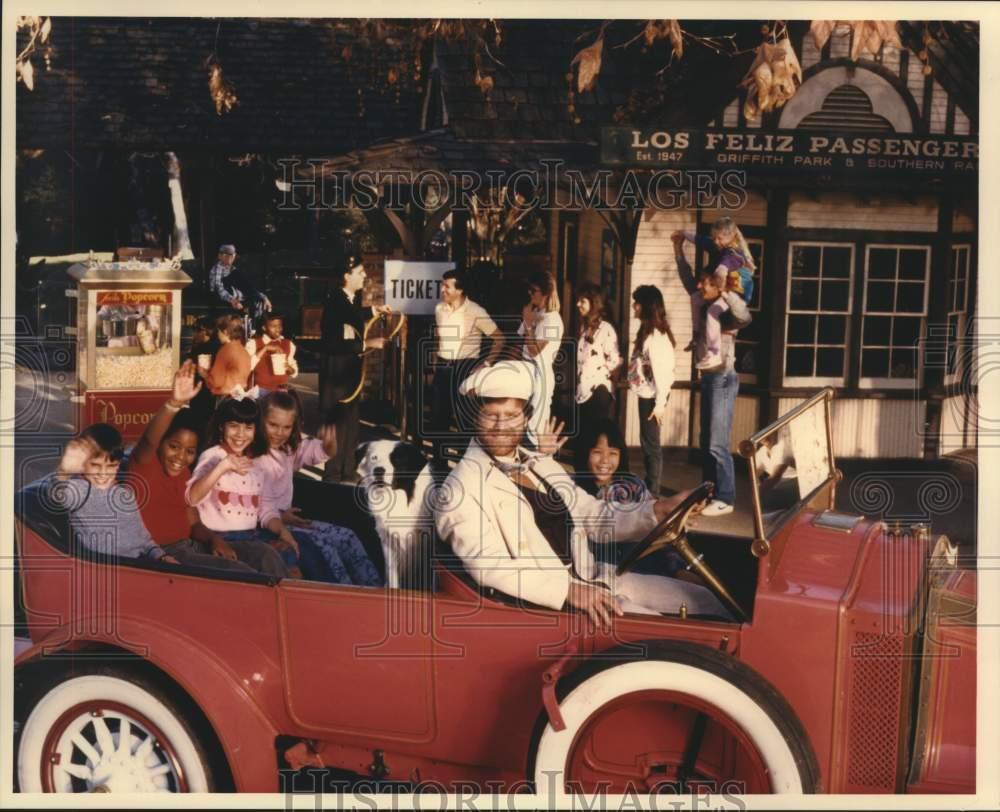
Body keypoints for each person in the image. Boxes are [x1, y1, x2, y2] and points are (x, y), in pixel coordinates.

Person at [434, 360, 730, 629]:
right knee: (672, 634)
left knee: (708, 600)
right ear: (475, 417)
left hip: (593, 577)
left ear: (525, 419)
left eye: (511, 415)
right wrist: (568, 591)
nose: (501, 426)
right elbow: (489, 567)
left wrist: (660, 509)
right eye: (491, 415)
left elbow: (594, 516)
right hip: (550, 605)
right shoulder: (460, 488)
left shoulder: (539, 463)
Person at [125, 362, 287, 576]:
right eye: (173, 447)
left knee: (264, 554)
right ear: (161, 444)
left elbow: (194, 524)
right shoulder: (144, 465)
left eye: (189, 451)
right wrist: (174, 403)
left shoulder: (184, 473)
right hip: (163, 554)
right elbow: (148, 440)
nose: (180, 457)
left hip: (192, 545)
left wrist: (214, 539)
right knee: (240, 573)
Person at [256, 391, 383, 586]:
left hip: (287, 519)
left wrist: (327, 447)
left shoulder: (285, 449)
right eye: (273, 425)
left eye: (286, 427)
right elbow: (254, 504)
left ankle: (375, 587)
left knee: (348, 536)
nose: (279, 433)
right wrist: (280, 518)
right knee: (324, 547)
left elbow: (308, 452)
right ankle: (346, 594)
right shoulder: (253, 457)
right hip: (269, 526)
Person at [672, 230, 751, 518]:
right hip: (708, 377)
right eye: (702, 281)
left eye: (706, 282)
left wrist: (725, 291)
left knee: (718, 442)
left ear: (716, 286)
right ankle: (708, 492)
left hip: (723, 377)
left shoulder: (723, 310)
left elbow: (745, 316)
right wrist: (678, 250)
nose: (700, 284)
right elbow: (685, 277)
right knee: (706, 441)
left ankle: (726, 496)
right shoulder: (702, 304)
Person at [185, 397, 303, 577]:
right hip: (220, 537)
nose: (241, 434)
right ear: (221, 427)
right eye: (233, 426)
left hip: (250, 534)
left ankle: (302, 596)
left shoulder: (256, 463)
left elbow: (266, 509)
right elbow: (192, 497)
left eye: (248, 427)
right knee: (267, 557)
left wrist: (282, 530)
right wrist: (222, 468)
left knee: (292, 552)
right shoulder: (213, 457)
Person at [49, 424, 177, 564]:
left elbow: (144, 541)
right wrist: (64, 470)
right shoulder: (80, 490)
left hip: (138, 567)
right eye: (95, 465)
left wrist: (161, 556)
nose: (103, 474)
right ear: (82, 463)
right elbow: (57, 495)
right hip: (106, 570)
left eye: (111, 466)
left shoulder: (125, 494)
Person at [318, 256, 392, 482]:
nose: (365, 277)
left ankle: (347, 469)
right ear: (346, 276)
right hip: (336, 370)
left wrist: (374, 310)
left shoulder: (349, 300)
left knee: (350, 420)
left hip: (349, 370)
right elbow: (332, 340)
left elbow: (353, 317)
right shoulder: (334, 302)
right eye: (360, 272)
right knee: (336, 421)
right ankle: (332, 475)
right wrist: (366, 344)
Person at [430, 268, 505, 468]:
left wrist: (485, 364)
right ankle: (438, 465)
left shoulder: (476, 312)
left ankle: (464, 465)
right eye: (442, 284)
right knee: (439, 418)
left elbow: (499, 339)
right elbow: (440, 337)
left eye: (447, 286)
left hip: (466, 367)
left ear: (460, 290)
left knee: (464, 420)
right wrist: (436, 362)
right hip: (444, 367)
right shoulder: (439, 309)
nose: (442, 289)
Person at [674, 220, 755, 370]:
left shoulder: (734, 252)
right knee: (696, 298)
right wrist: (684, 235)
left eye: (719, 238)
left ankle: (715, 352)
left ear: (731, 236)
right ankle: (696, 333)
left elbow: (728, 261)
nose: (716, 242)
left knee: (713, 312)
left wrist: (722, 271)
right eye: (714, 238)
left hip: (737, 294)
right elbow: (701, 241)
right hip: (722, 291)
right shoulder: (717, 246)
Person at [627, 285, 676, 497]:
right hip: (646, 394)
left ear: (646, 306)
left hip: (654, 397)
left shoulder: (656, 337)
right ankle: (650, 486)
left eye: (637, 302)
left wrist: (660, 405)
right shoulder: (646, 332)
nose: (633, 306)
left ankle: (653, 491)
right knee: (647, 442)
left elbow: (664, 373)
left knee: (651, 445)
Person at [573, 284, 622, 473]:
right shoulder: (584, 328)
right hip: (583, 391)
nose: (578, 304)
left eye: (582, 301)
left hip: (599, 390)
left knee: (595, 437)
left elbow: (615, 359)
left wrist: (600, 372)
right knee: (584, 437)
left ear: (593, 303)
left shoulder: (605, 329)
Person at [518, 270, 564, 447]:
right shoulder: (534, 313)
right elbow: (519, 341)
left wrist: (529, 325)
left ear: (545, 293)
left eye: (533, 290)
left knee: (534, 427)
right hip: (525, 370)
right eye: (529, 290)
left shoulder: (553, 321)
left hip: (541, 374)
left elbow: (534, 350)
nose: (529, 294)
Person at [208, 243, 272, 324]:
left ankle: (255, 323)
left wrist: (262, 296)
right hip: (220, 297)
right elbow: (219, 289)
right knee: (237, 275)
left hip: (238, 296)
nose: (229, 257)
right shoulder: (217, 269)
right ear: (219, 256)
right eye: (226, 255)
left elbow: (246, 285)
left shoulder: (233, 269)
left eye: (232, 255)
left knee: (258, 299)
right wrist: (232, 300)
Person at [247, 312, 299, 396]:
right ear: (264, 327)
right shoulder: (253, 344)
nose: (278, 329)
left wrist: (291, 370)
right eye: (273, 326)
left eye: (279, 326)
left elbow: (293, 368)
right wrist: (265, 348)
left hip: (282, 390)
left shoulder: (288, 344)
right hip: (261, 390)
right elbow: (247, 367)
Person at [205, 316, 252, 398]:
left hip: (226, 396)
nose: (218, 334)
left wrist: (203, 373)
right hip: (240, 396)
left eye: (219, 331)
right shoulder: (243, 349)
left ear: (225, 332)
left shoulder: (226, 350)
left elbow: (216, 381)